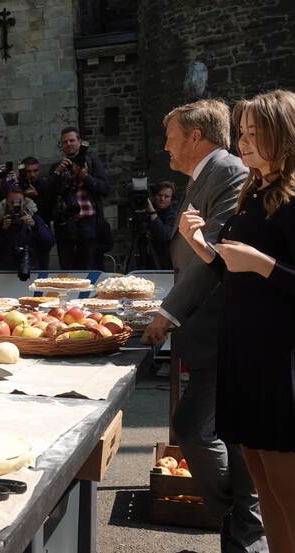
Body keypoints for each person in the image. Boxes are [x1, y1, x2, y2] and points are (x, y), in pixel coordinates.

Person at [142, 99, 267, 553]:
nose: (166, 147)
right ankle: (242, 528)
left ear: (196, 137)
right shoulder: (205, 177)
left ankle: (244, 525)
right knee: (218, 437)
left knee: (199, 430)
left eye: (172, 137)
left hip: (225, 331)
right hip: (210, 331)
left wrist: (167, 314)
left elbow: (211, 260)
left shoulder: (230, 173)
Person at [177, 90, 295, 553]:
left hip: (277, 362)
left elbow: (262, 268)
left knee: (287, 495)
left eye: (254, 134)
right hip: (245, 355)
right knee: (266, 493)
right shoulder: (256, 190)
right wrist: (204, 245)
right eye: (242, 133)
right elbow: (234, 269)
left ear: (283, 136)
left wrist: (263, 265)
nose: (243, 143)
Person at [48, 127, 109, 269]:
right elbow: (48, 193)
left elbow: (105, 189)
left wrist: (86, 177)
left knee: (89, 268)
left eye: (72, 140)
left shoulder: (92, 162)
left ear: (79, 142)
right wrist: (57, 172)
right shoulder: (57, 167)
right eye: (65, 142)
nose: (68, 144)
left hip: (89, 221)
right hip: (65, 224)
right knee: (68, 270)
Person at [0, 185, 55, 274]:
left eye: (18, 203)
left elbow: (49, 243)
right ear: (7, 202)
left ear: (24, 202)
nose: (16, 206)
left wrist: (35, 227)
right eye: (12, 203)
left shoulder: (34, 218)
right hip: (4, 272)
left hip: (30, 269)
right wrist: (2, 230)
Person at [146, 181, 178, 269]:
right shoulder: (145, 211)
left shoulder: (173, 214)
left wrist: (152, 212)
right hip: (146, 258)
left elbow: (164, 235)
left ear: (171, 198)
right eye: (159, 195)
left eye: (166, 196)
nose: (162, 199)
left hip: (163, 260)